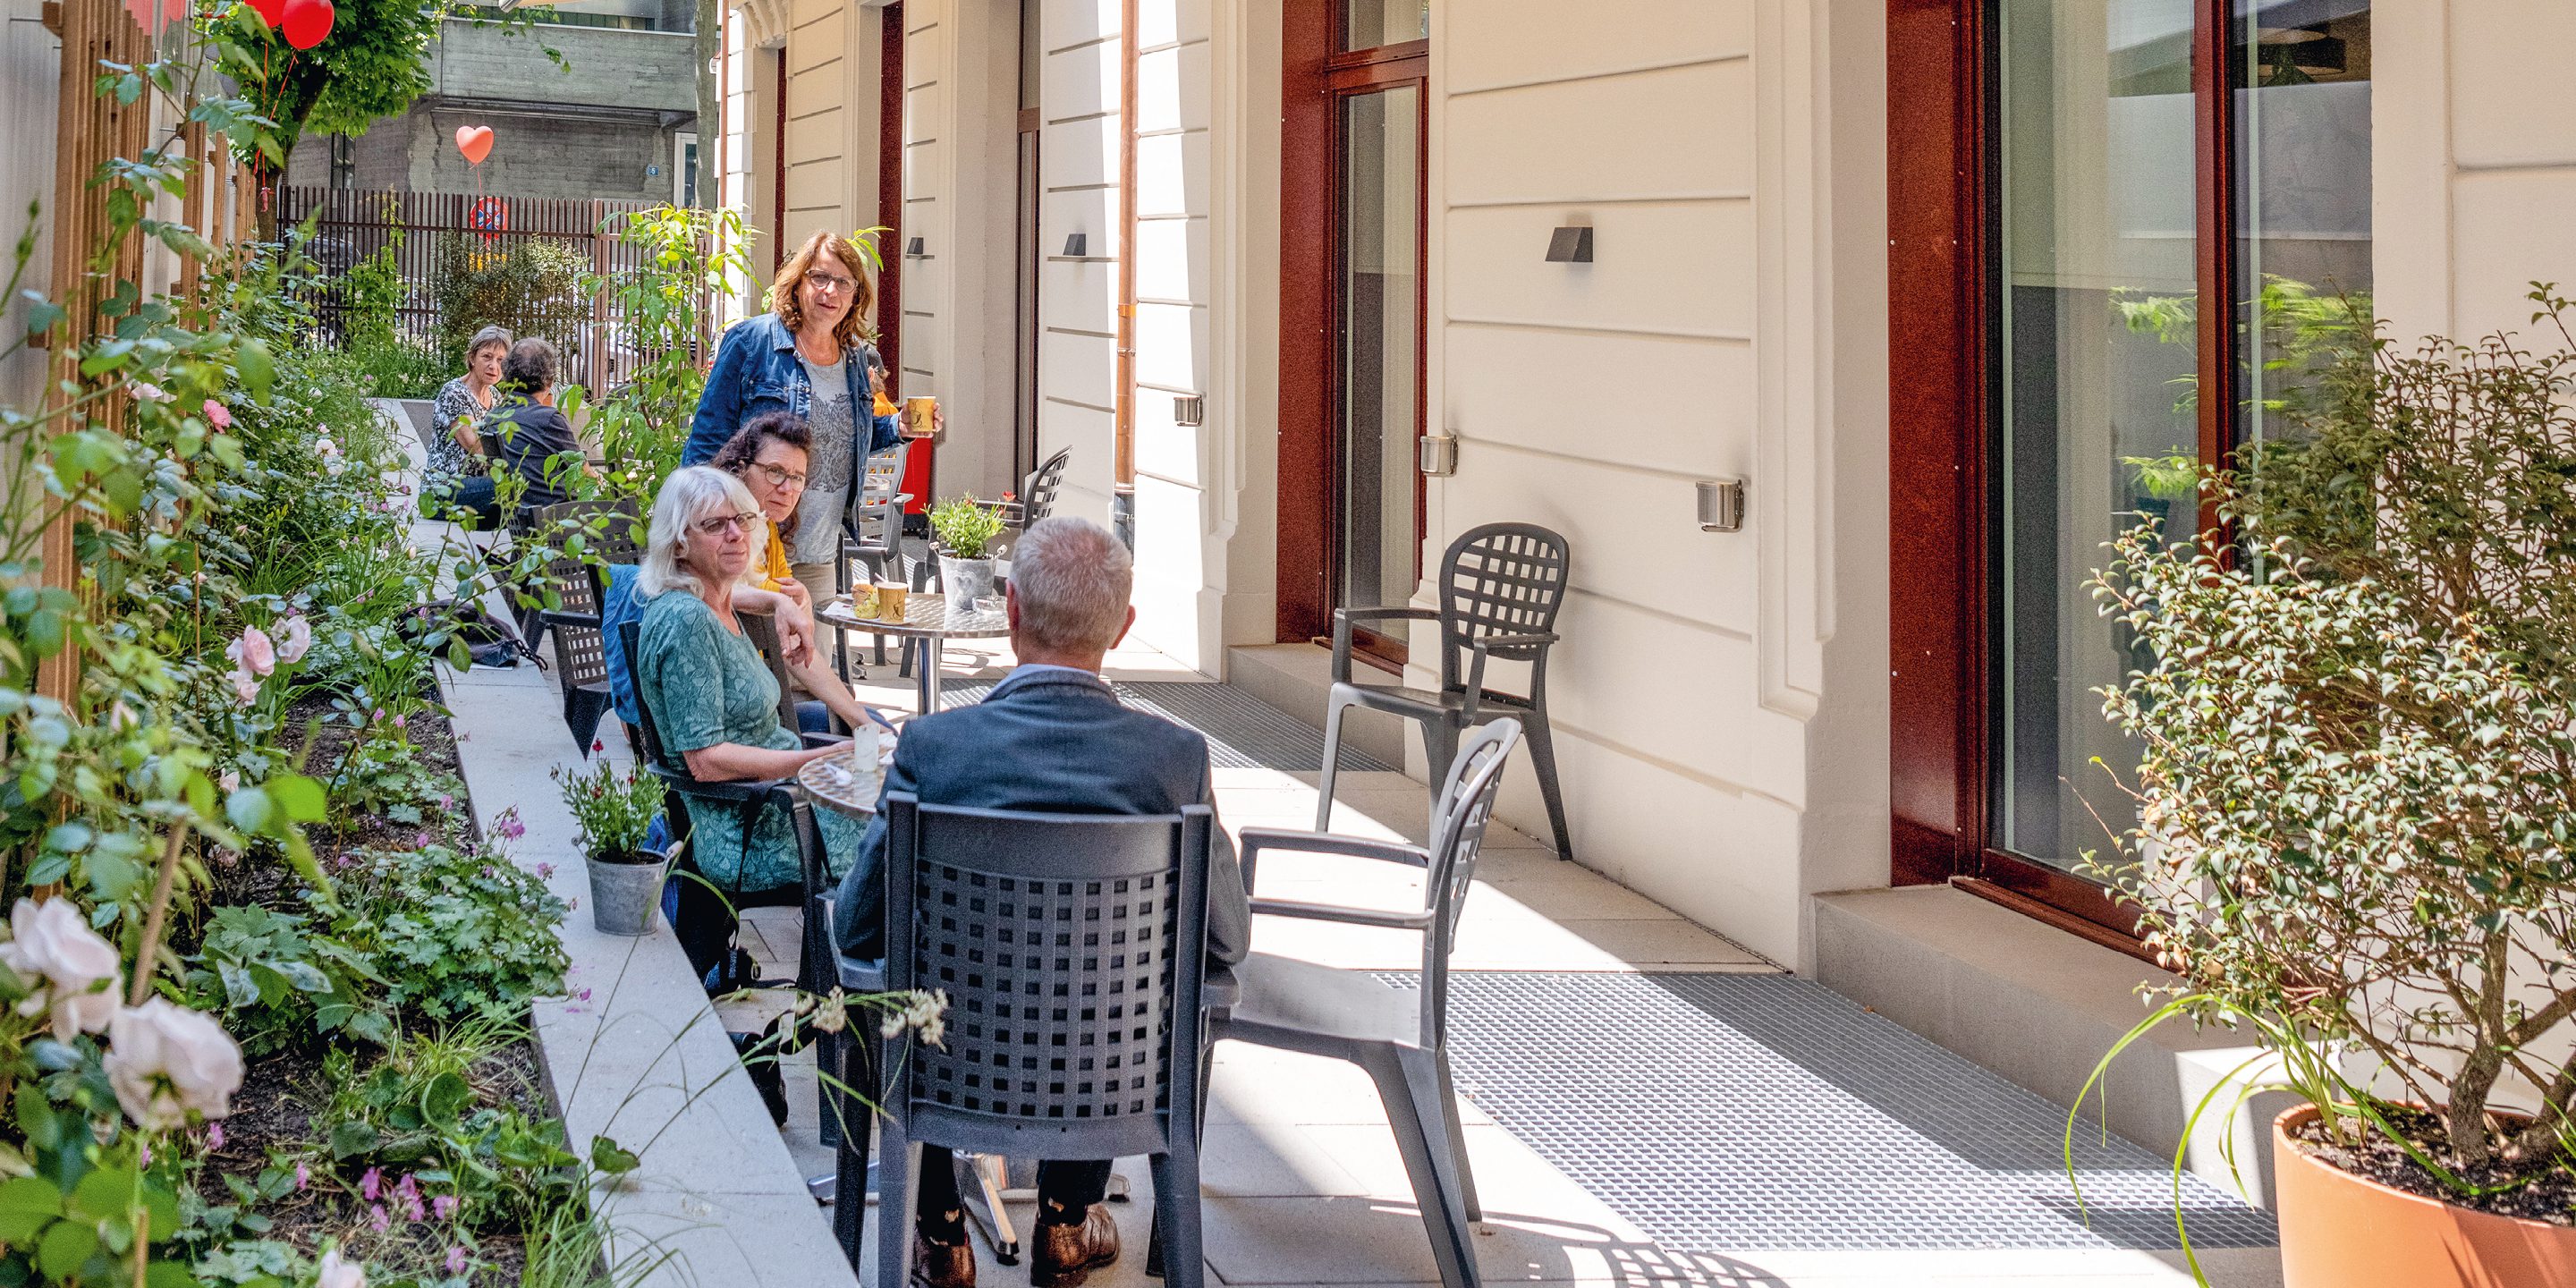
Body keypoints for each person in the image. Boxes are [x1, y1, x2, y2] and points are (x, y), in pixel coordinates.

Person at [832, 516, 1250, 1288]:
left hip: (949, 1065)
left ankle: (942, 1234)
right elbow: (1227, 944)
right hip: (1113, 1074)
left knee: (886, 988)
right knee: (1105, 998)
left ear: (1012, 610)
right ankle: (1064, 1224)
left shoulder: (934, 750)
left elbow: (858, 924)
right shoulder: (1175, 759)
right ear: (1123, 628)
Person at [631, 467, 868, 897]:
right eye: (715, 525)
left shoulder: (715, 601)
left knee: (901, 801)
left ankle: (835, 961)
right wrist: (821, 760)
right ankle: (852, 958)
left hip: (781, 803)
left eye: (741, 520)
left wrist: (858, 735)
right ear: (679, 543)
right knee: (905, 842)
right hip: (750, 830)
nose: (736, 534)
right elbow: (706, 760)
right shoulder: (687, 621)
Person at [684, 229, 932, 607]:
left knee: (809, 662)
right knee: (753, 665)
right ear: (798, 283)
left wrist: (896, 428)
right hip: (751, 546)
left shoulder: (853, 359)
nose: (830, 291)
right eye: (820, 277)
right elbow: (704, 445)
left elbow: (848, 435)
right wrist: (706, 531)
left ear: (855, 297)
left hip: (820, 552)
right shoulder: (753, 343)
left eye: (843, 282)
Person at [708, 412, 897, 736]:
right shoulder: (717, 525)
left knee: (872, 726)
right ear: (741, 467)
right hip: (727, 717)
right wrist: (778, 603)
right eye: (775, 472)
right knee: (859, 736)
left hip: (759, 699)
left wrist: (857, 717)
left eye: (797, 477)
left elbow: (798, 656)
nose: (787, 488)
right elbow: (708, 589)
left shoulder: (766, 529)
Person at [484, 337, 591, 517]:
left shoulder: (492, 417)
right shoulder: (549, 419)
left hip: (516, 518)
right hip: (557, 519)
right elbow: (583, 471)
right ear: (549, 382)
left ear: (507, 375)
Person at [423, 326, 510, 528]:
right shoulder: (454, 392)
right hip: (444, 490)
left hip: (478, 487)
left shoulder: (496, 396)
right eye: (487, 357)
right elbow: (476, 446)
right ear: (472, 358)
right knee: (514, 486)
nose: (493, 366)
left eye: (500, 360)